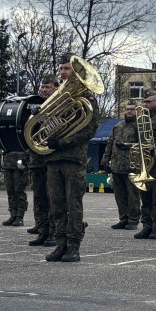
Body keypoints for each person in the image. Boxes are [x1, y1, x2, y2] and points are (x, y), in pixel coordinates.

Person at [45, 54, 98, 263]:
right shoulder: (57, 95)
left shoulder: (87, 98)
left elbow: (90, 129)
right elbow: (47, 123)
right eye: (62, 69)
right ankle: (60, 244)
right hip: (53, 159)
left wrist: (63, 143)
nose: (63, 72)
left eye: (67, 69)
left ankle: (73, 246)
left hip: (74, 159)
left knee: (73, 204)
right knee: (56, 205)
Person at [26, 76, 58, 247]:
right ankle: (43, 230)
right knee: (39, 197)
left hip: (52, 158)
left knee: (52, 197)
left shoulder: (59, 105)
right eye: (43, 87)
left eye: (48, 87)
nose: (44, 90)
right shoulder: (37, 107)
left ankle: (53, 231)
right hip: (37, 159)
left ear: (55, 88)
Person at [102, 100, 141, 231]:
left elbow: (144, 145)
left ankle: (133, 220)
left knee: (133, 195)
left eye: (132, 109)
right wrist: (105, 160)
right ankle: (123, 218)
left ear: (137, 111)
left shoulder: (140, 126)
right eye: (127, 109)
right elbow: (109, 144)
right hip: (117, 165)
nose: (129, 111)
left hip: (132, 166)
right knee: (119, 195)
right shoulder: (118, 126)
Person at [135, 91, 156, 240]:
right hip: (144, 161)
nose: (145, 104)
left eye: (148, 102)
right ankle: (146, 226)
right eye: (144, 102)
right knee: (145, 196)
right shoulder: (142, 117)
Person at [0, 148, 29, 227]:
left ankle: (19, 216)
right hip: (8, 162)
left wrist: (26, 159)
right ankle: (13, 214)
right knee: (10, 191)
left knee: (19, 191)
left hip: (20, 161)